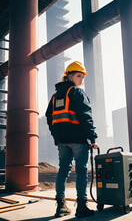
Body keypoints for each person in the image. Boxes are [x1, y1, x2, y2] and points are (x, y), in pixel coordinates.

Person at [45, 61, 98, 218]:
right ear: (69, 76)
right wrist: (92, 137)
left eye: (82, 77)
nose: (81, 80)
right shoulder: (77, 92)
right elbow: (85, 116)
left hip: (62, 141)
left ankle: (60, 206)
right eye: (78, 76)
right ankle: (81, 207)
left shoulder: (55, 97)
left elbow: (50, 118)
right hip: (78, 140)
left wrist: (56, 136)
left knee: (63, 171)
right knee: (81, 172)